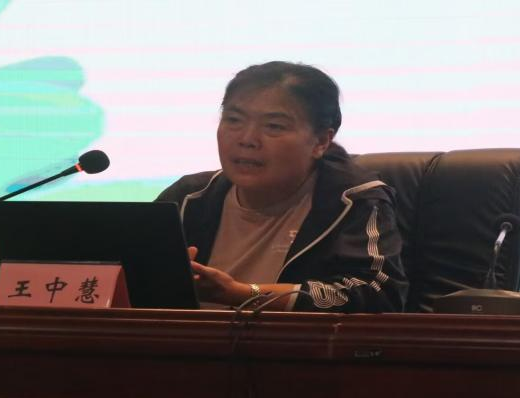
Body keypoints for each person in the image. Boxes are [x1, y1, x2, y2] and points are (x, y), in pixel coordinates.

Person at [157, 61, 407, 312]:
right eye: (233, 120)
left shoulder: (355, 201)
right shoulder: (189, 197)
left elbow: (378, 293)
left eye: (273, 126)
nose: (247, 139)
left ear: (321, 141)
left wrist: (243, 294)